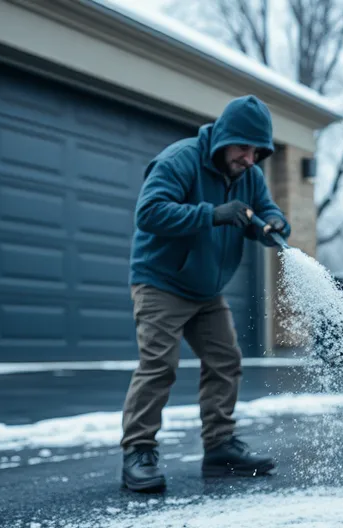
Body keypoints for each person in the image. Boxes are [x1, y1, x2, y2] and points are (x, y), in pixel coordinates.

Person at [120, 95, 289, 492]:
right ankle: (138, 452)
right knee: (159, 364)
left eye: (258, 151)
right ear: (224, 139)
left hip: (207, 289)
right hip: (161, 279)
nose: (250, 159)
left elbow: (264, 210)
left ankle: (219, 449)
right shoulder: (179, 160)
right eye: (244, 148)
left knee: (225, 361)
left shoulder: (250, 175)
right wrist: (211, 214)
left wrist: (273, 223)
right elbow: (148, 212)